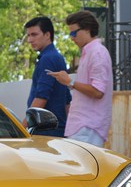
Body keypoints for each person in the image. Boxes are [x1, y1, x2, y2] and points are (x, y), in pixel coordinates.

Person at [47, 10, 112, 147]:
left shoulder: (97, 53)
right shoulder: (90, 52)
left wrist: (70, 82)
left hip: (88, 127)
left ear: (87, 30)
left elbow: (98, 91)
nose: (71, 38)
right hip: (83, 127)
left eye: (73, 33)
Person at [24, 16, 71, 137]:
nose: (30, 39)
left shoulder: (48, 59)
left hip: (46, 132)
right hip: (59, 130)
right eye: (28, 35)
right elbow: (66, 99)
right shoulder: (57, 57)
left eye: (34, 34)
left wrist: (21, 129)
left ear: (47, 35)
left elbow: (41, 97)